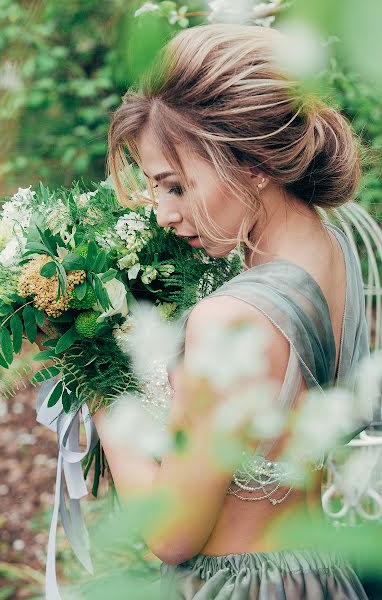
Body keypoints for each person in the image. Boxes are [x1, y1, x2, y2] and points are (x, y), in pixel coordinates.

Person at [93, 24, 371, 599]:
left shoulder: (232, 319)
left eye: (175, 186)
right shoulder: (334, 244)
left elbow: (171, 535)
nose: (164, 214)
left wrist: (93, 383)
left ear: (250, 163)